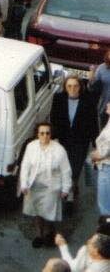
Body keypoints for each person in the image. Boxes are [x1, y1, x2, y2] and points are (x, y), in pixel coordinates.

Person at [20, 122, 73, 249]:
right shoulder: (31, 146)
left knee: (49, 211)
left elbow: (66, 170)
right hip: (35, 184)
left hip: (52, 185)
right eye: (42, 133)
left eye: (47, 133)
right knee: (37, 211)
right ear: (37, 134)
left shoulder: (59, 150)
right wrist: (24, 183)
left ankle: (48, 232)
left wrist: (66, 188)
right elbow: (25, 166)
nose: (45, 136)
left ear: (51, 134)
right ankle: (38, 234)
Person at [50, 76, 99, 206]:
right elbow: (54, 119)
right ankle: (68, 190)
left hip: (80, 142)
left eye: (75, 86)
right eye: (69, 86)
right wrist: (53, 138)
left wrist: (95, 145)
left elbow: (93, 123)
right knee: (62, 169)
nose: (72, 89)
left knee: (74, 171)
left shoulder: (88, 101)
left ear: (80, 87)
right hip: (63, 140)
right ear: (65, 87)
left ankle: (70, 198)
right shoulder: (58, 98)